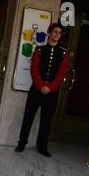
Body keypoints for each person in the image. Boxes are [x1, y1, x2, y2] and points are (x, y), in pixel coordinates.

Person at [15, 23, 69, 157]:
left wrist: (50, 88)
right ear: (49, 33)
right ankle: (22, 143)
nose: (57, 34)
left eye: (59, 33)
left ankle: (42, 147)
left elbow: (61, 73)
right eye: (55, 32)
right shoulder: (39, 50)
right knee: (28, 117)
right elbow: (34, 69)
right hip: (36, 90)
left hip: (52, 92)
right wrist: (41, 86)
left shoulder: (63, 53)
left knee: (46, 119)